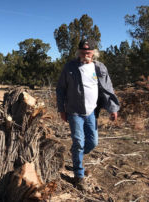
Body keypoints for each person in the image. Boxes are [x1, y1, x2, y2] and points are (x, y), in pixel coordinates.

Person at [56, 38, 120, 191]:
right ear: (79, 52)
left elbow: (107, 89)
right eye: (83, 52)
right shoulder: (70, 67)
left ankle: (76, 157)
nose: (86, 55)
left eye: (89, 52)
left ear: (93, 53)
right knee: (78, 142)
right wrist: (61, 109)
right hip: (74, 112)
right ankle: (79, 176)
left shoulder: (99, 68)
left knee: (93, 143)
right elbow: (60, 89)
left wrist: (113, 108)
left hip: (91, 112)